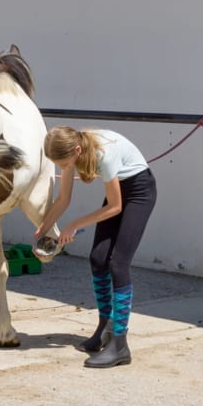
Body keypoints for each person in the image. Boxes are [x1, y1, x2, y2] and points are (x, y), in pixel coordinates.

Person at [35, 126, 158, 369]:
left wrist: (74, 225)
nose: (63, 168)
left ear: (77, 151)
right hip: (119, 192)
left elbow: (115, 207)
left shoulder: (103, 153)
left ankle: (120, 344)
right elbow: (63, 200)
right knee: (98, 258)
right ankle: (104, 328)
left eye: (64, 164)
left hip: (139, 192)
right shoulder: (73, 150)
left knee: (118, 264)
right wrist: (41, 231)